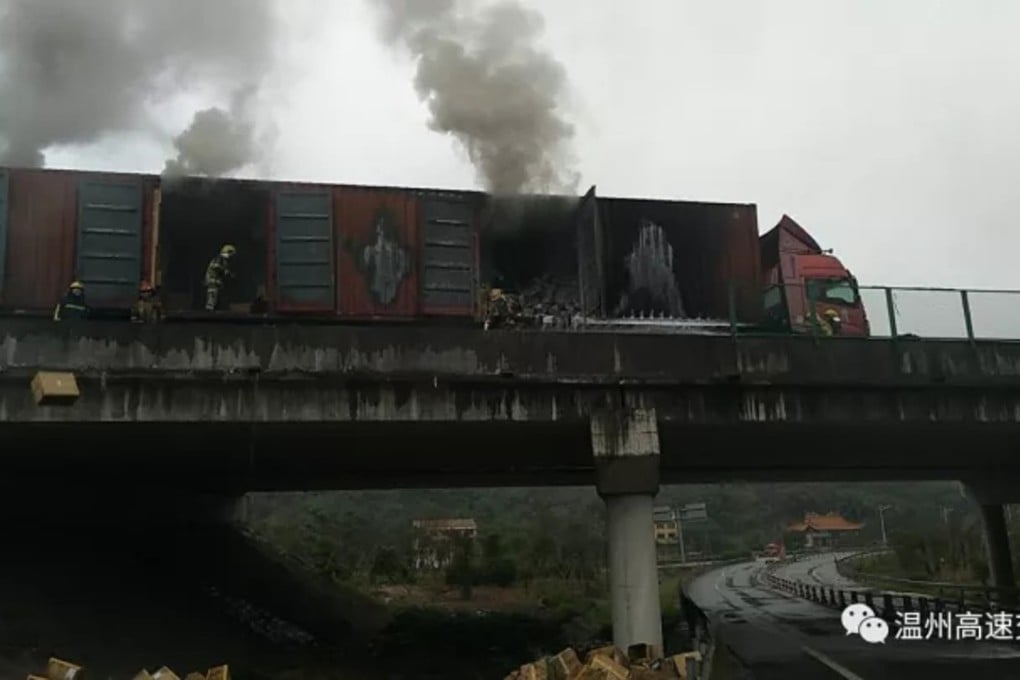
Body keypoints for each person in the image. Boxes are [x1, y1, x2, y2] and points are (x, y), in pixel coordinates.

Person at [204, 244, 236, 311]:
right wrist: (226, 272)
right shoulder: (219, 258)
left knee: (216, 297)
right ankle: (209, 311)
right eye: (231, 254)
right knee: (212, 296)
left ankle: (213, 309)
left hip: (215, 281)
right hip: (213, 280)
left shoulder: (222, 260)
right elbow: (216, 267)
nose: (231, 256)